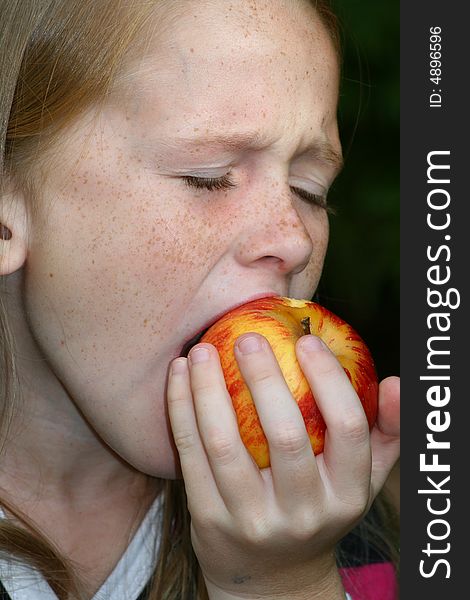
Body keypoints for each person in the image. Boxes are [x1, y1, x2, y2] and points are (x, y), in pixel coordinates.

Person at [0, 1, 400, 599]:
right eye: (207, 176)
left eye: (309, 189)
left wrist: (282, 584)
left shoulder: (361, 553)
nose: (292, 238)